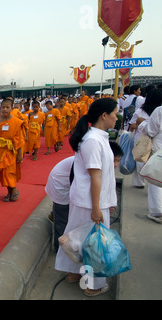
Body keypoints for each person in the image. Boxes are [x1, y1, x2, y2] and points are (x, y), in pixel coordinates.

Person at [55, 98, 119, 297]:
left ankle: (74, 273)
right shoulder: (92, 140)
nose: (117, 118)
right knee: (96, 244)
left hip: (88, 199)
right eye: (115, 113)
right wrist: (97, 207)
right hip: (90, 201)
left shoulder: (98, 137)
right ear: (104, 115)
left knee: (78, 237)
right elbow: (95, 176)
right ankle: (94, 285)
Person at [46, 141, 123, 252]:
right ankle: (60, 250)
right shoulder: (90, 163)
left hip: (71, 184)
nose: (115, 164)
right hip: (61, 183)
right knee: (63, 217)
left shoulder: (103, 165)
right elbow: (79, 185)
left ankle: (55, 214)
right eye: (114, 160)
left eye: (118, 161)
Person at [0, 99, 25, 202]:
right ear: (0, 108)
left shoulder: (16, 122)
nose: (5, 109)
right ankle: (9, 191)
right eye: (3, 107)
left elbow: (19, 139)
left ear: (12, 108)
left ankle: (14, 190)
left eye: (7, 107)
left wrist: (20, 154)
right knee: (2, 172)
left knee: (10, 171)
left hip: (12, 151)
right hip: (1, 150)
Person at [137, 89, 162, 224]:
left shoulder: (159, 110)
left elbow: (151, 131)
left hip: (159, 147)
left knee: (157, 177)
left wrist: (142, 123)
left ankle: (157, 211)